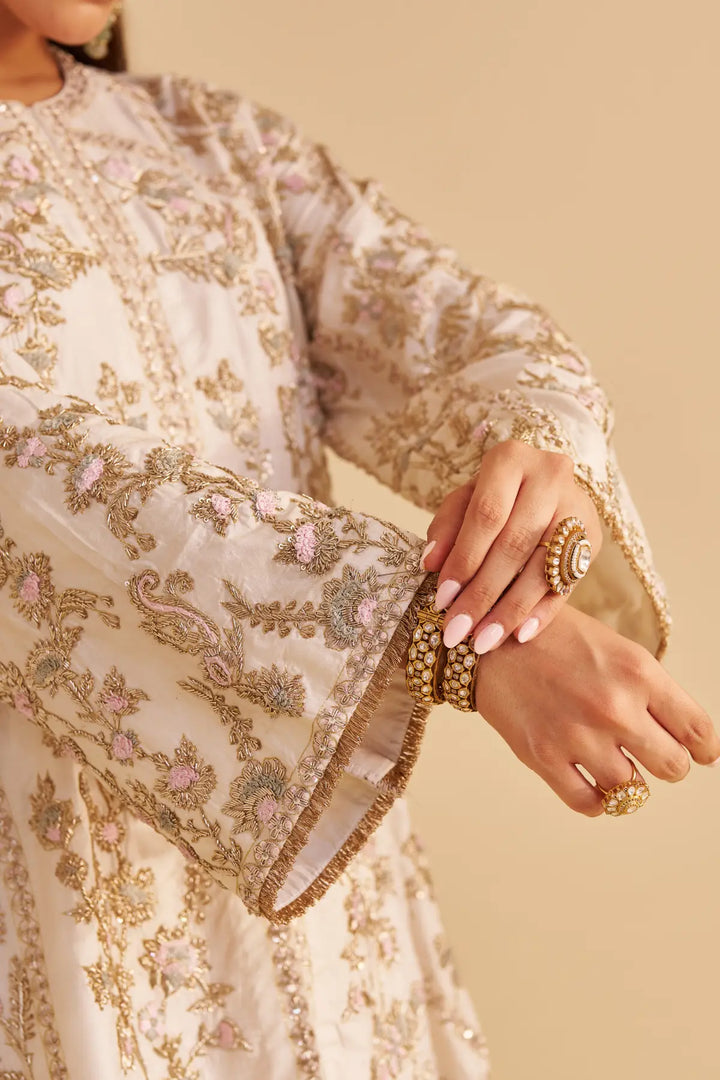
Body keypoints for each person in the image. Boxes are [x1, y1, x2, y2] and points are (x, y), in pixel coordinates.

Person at [0, 3, 716, 1077]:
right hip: (58, 884)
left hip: (324, 894)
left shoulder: (215, 142)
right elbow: (33, 482)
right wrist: (447, 639)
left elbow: (461, 336)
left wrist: (533, 464)